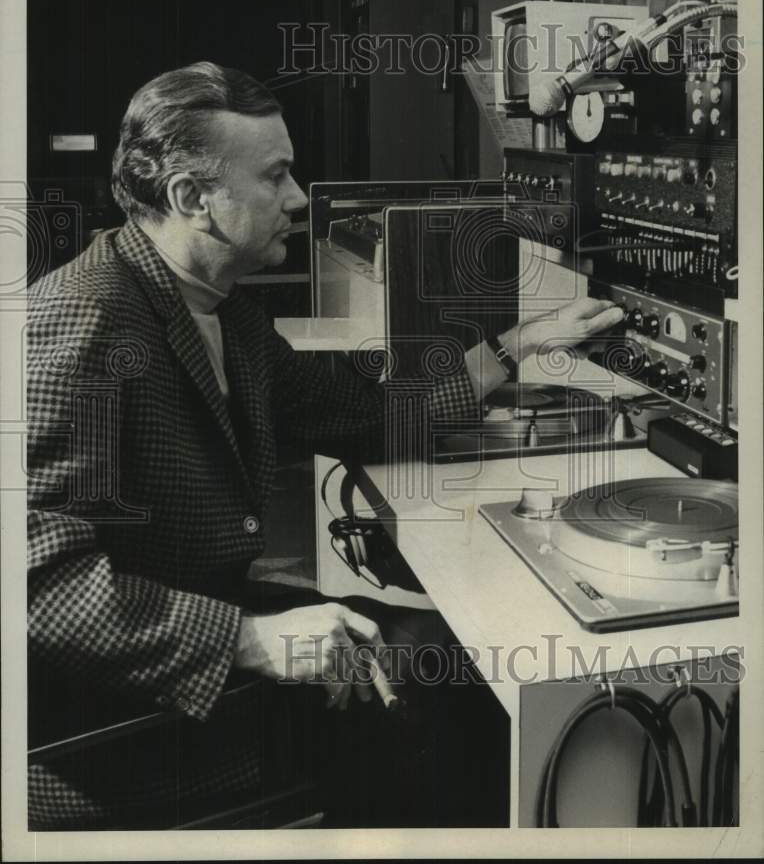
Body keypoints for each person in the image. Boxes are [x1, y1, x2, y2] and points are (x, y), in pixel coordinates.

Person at [26, 61, 624, 829]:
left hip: (195, 641)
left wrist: (511, 346)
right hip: (124, 732)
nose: (299, 198)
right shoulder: (79, 327)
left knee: (460, 651)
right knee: (464, 699)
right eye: (275, 175)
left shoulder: (216, 309)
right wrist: (248, 641)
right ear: (189, 198)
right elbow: (34, 593)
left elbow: (350, 406)